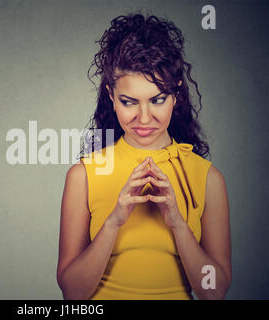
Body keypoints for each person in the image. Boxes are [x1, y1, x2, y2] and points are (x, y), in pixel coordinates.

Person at [56, 13, 231, 300]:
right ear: (111, 96)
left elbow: (215, 292)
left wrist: (176, 221)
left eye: (157, 100)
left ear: (176, 93)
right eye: (129, 102)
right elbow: (72, 294)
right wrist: (114, 221)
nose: (144, 118)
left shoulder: (208, 178)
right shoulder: (84, 175)